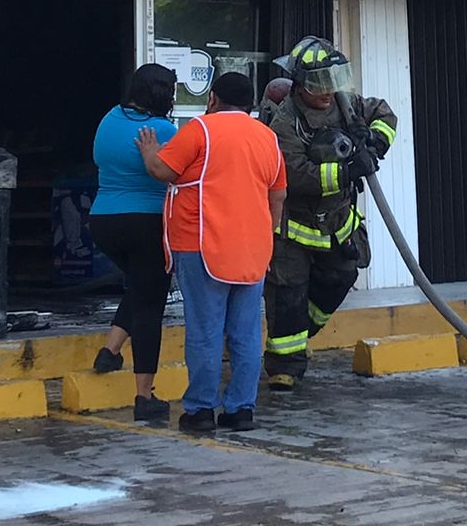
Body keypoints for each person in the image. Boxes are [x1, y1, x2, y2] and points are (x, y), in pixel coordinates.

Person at [136, 72, 287, 434]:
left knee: (205, 331)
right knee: (246, 333)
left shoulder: (201, 130)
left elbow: (162, 170)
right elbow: (277, 196)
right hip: (253, 250)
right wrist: (266, 234)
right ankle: (241, 411)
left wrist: (148, 150)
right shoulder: (267, 138)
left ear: (213, 98)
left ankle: (201, 411)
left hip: (202, 245)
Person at [262, 35, 397, 390]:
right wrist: (348, 171)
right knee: (289, 293)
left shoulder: (346, 103)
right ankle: (284, 369)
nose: (327, 90)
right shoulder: (286, 122)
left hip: (337, 222)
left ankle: (300, 334)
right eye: (318, 82)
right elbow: (294, 175)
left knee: (340, 278)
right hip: (294, 228)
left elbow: (384, 112)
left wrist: (376, 142)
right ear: (299, 83)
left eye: (332, 80)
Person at [87, 62, 179, 423]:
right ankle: (145, 396)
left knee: (142, 287)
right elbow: (180, 173)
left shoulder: (109, 119)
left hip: (104, 220)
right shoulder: (162, 130)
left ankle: (110, 351)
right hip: (146, 222)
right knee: (150, 304)